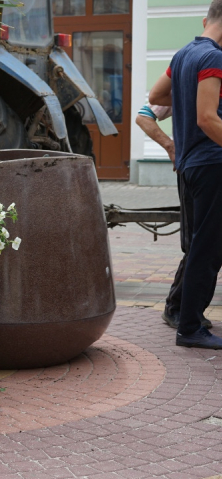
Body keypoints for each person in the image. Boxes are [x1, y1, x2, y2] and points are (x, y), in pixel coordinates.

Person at [149, 0, 222, 349]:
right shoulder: (213, 57)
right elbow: (207, 119)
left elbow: (154, 96)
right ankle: (190, 326)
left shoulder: (184, 55)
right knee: (206, 249)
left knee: (203, 246)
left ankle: (188, 318)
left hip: (191, 163)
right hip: (212, 162)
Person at [135, 104, 214, 330]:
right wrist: (170, 146)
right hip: (198, 168)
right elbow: (144, 117)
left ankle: (191, 309)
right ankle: (176, 307)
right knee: (197, 244)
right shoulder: (190, 76)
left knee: (213, 246)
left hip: (208, 168)